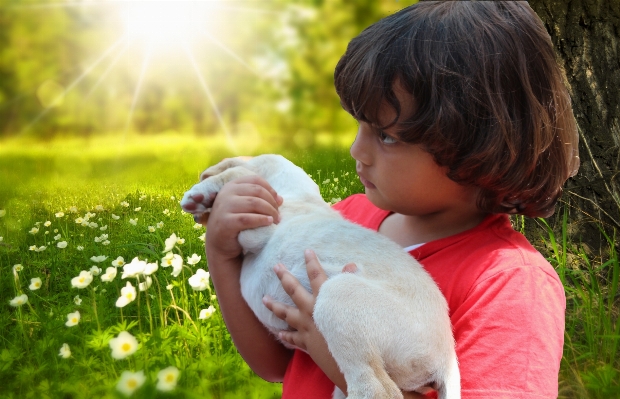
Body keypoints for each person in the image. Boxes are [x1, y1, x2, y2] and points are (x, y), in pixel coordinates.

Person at [199, 2, 580, 398]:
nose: (356, 150)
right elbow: (274, 364)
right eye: (359, 125)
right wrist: (222, 252)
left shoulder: (509, 284)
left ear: (479, 145)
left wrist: (338, 350)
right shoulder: (345, 220)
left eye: (387, 136)